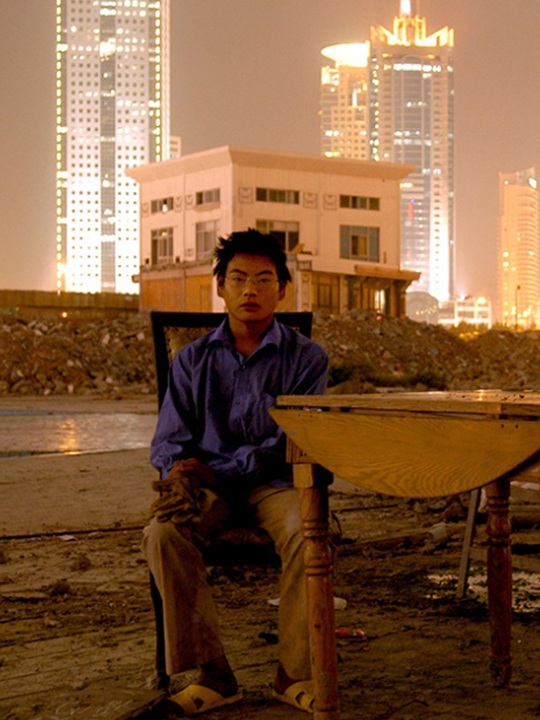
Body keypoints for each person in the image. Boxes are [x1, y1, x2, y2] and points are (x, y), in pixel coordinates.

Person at [143, 229, 328, 716]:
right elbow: (168, 442)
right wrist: (181, 474)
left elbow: (295, 441)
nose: (251, 290)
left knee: (309, 535)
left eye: (264, 279)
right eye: (239, 278)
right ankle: (214, 674)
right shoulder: (192, 360)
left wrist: (216, 465)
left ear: (282, 290)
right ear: (220, 286)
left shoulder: (307, 359)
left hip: (277, 481)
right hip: (208, 488)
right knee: (163, 534)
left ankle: (294, 673)